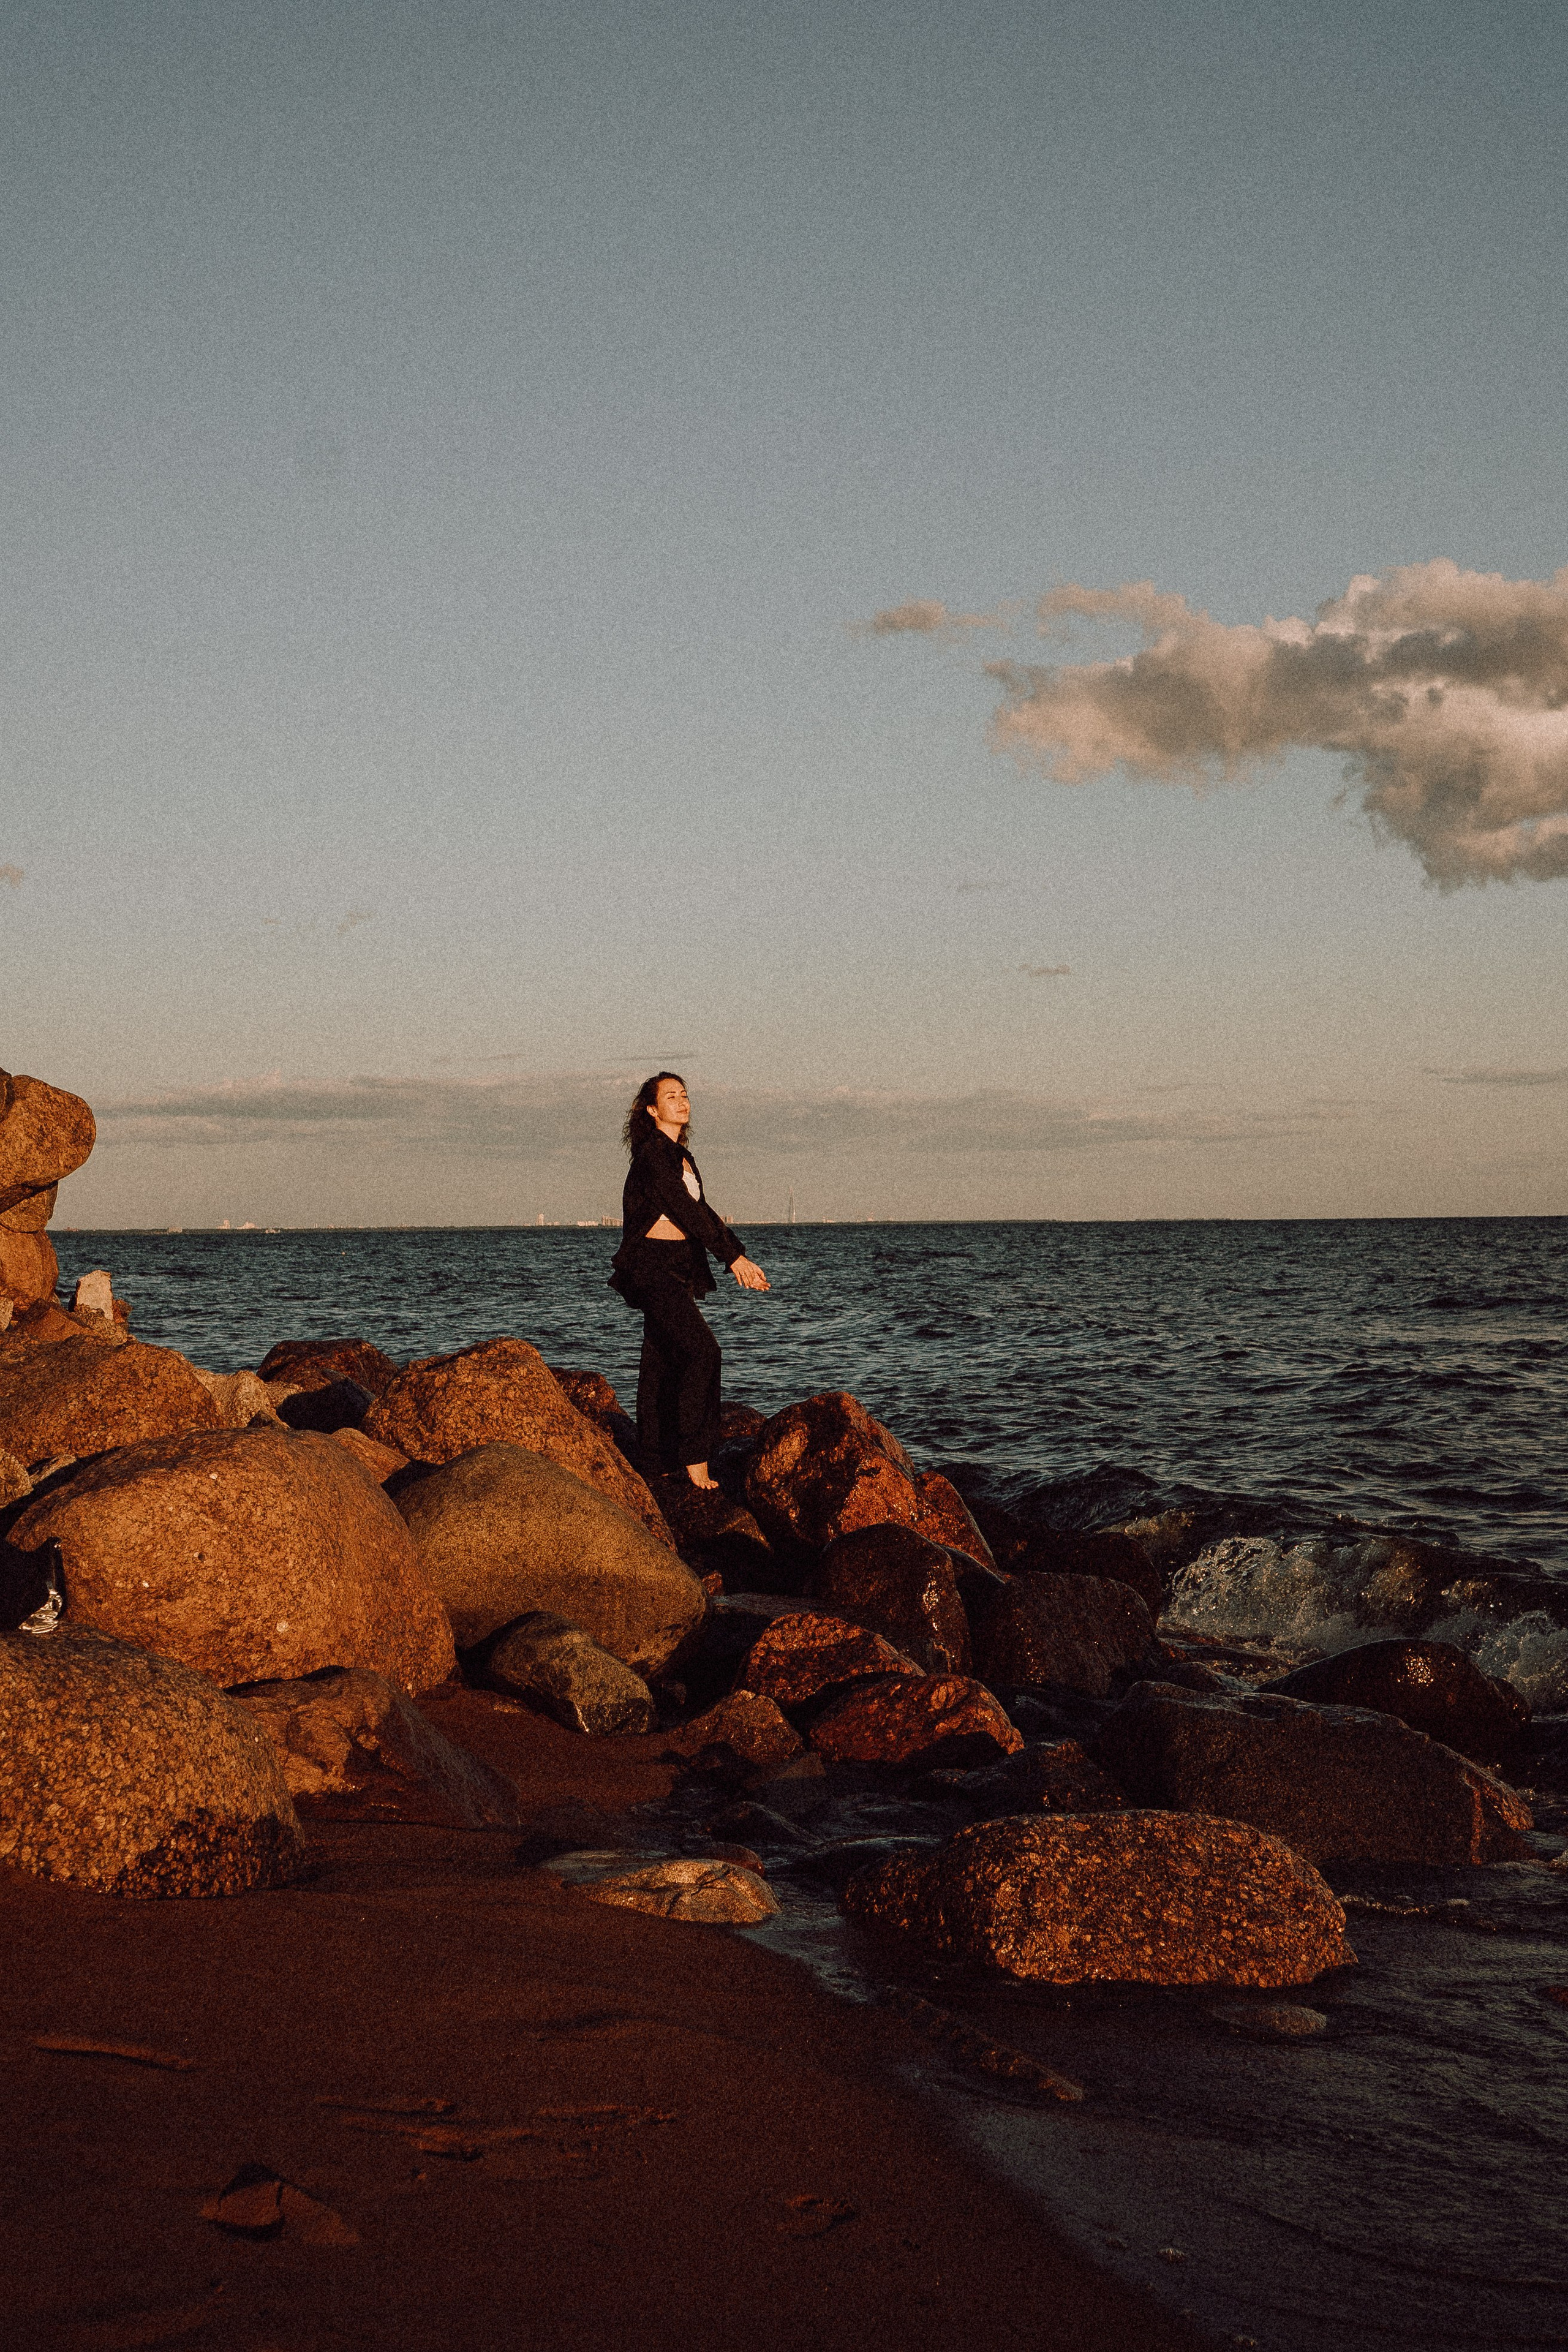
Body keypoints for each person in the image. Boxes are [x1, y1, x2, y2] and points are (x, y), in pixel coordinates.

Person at [608, 1072, 769, 1490]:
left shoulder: (682, 1156)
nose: (682, 1102)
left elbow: (703, 1210)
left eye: (685, 1095)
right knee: (703, 1353)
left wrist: (739, 1256)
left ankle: (654, 1459)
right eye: (671, 1097)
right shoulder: (652, 1155)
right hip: (650, 1267)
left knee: (660, 1360)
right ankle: (696, 1458)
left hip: (677, 1266)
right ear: (651, 1109)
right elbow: (683, 1208)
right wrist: (732, 1258)